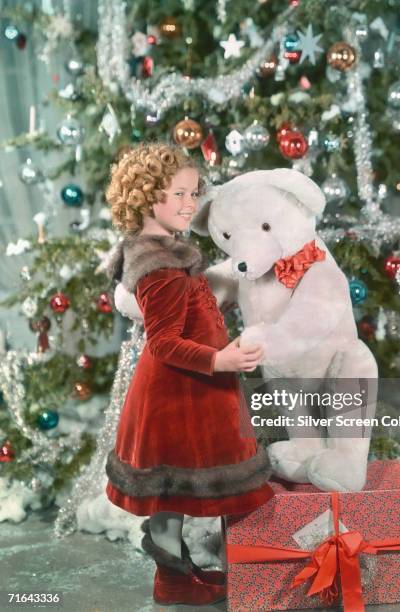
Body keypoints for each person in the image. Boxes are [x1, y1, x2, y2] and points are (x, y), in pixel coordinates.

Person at [103, 142, 274, 606]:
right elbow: (163, 342)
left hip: (189, 389)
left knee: (172, 489)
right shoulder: (158, 266)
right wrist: (220, 360)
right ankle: (174, 580)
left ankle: (185, 574)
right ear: (144, 197)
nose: (190, 204)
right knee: (169, 488)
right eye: (178, 194)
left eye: (193, 194)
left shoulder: (168, 252)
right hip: (179, 394)